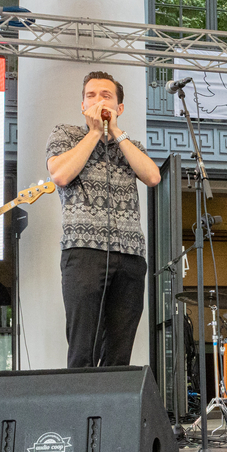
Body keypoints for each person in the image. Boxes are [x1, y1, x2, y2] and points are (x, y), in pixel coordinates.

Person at [46, 71, 161, 368]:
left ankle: (111, 414)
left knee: (119, 354)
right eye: (91, 96)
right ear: (82, 105)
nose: (98, 101)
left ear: (119, 108)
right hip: (84, 252)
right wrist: (95, 133)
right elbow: (60, 174)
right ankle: (79, 412)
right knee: (83, 347)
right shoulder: (65, 135)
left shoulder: (129, 144)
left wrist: (116, 134)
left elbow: (152, 176)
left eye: (106, 96)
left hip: (131, 255)